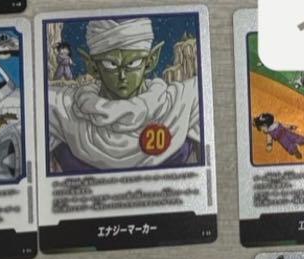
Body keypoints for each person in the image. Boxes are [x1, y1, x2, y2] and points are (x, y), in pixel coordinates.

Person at [47, 17, 202, 172]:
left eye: (133, 63)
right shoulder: (62, 111)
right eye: (111, 64)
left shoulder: (182, 104)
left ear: (150, 61)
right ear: (92, 66)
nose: (122, 75)